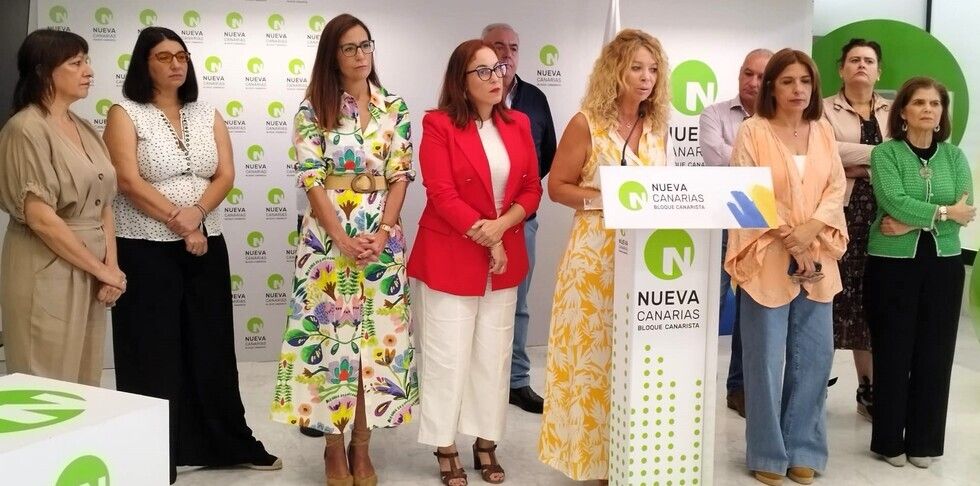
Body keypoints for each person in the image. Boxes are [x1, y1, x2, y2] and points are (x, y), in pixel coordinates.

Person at [102, 27, 279, 484]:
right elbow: (127, 181)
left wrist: (197, 215)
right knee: (151, 350)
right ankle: (152, 454)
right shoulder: (125, 113)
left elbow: (225, 174)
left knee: (211, 344)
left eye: (181, 56)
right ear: (144, 64)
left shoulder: (207, 113)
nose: (176, 64)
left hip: (206, 243)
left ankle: (226, 444)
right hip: (144, 246)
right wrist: (180, 222)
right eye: (164, 57)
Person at [268, 14, 418, 486]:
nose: (360, 55)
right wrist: (340, 236)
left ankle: (362, 446)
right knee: (330, 345)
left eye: (365, 45)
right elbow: (311, 180)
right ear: (332, 56)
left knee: (376, 346)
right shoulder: (313, 109)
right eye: (349, 47)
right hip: (327, 242)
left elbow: (401, 174)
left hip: (381, 243)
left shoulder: (394, 106)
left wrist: (384, 231)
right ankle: (332, 447)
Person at [408, 39, 542, 486]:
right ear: (460, 81)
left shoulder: (519, 122)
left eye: (498, 68)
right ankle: (445, 445)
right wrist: (488, 237)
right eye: (482, 71)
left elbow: (532, 189)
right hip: (450, 255)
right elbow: (441, 193)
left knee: (494, 356)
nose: (495, 77)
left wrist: (501, 228)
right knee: (447, 356)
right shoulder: (438, 123)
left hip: (503, 257)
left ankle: (486, 441)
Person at [539, 29, 670, 482]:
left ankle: (629, 456)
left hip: (645, 259)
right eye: (637, 68)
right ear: (615, 71)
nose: (647, 77)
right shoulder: (586, 123)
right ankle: (593, 462)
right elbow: (557, 187)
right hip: (594, 257)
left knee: (633, 362)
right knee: (593, 361)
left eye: (653, 69)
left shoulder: (657, 127)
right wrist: (608, 198)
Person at [726, 48, 847, 486]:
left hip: (818, 255)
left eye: (805, 81)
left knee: (814, 358)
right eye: (788, 81)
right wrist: (791, 239)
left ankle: (804, 449)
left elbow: (835, 188)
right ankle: (766, 452)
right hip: (767, 255)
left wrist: (810, 231)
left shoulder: (824, 130)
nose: (798, 89)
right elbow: (748, 192)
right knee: (763, 360)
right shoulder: (752, 131)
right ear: (772, 87)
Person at [0, 29, 124, 386]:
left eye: (87, 61)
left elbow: (104, 204)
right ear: (43, 71)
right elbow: (40, 218)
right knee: (45, 382)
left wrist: (111, 267)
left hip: (92, 269)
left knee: (85, 379)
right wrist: (101, 270)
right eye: (76, 63)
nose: (89, 71)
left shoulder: (85, 128)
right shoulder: (25, 129)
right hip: (46, 264)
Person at [865, 76, 974, 469]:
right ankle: (889, 440)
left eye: (935, 104)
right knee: (893, 352)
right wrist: (943, 213)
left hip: (945, 265)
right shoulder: (886, 154)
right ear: (904, 111)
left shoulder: (955, 158)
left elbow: (965, 210)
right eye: (919, 103)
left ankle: (924, 441)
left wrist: (916, 221)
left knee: (936, 353)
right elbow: (893, 201)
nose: (928, 109)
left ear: (942, 113)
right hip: (892, 265)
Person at [481, 22, 557, 415]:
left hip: (521, 220)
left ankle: (516, 380)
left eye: (513, 47)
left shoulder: (535, 98)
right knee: (474, 303)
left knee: (518, 302)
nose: (506, 54)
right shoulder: (467, 99)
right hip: (474, 224)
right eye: (498, 46)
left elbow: (547, 154)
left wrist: (515, 201)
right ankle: (479, 382)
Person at [699, 47, 773, 419]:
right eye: (747, 73)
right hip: (719, 221)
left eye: (761, 76)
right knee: (707, 304)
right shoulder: (714, 114)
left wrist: (759, 165)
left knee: (751, 308)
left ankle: (739, 387)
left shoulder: (781, 121)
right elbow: (717, 157)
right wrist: (766, 163)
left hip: (760, 224)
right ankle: (694, 384)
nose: (753, 82)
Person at [822, 38, 890, 422]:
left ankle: (868, 389)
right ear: (842, 68)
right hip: (838, 218)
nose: (861, 65)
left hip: (883, 219)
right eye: (854, 60)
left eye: (868, 60)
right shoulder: (822, 110)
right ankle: (814, 387)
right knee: (829, 301)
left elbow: (903, 158)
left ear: (879, 71)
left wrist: (853, 163)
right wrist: (879, 157)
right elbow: (825, 153)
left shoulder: (895, 111)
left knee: (870, 305)